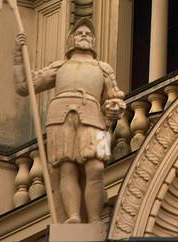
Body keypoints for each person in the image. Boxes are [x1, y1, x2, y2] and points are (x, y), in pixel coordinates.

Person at [14, 20, 124, 224]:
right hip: (60, 117)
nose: (84, 35)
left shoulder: (103, 68)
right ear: (71, 39)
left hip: (95, 117)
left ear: (94, 41)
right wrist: (19, 56)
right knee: (67, 168)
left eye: (88, 33)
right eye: (79, 32)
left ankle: (94, 218)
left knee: (97, 168)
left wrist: (116, 107)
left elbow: (114, 96)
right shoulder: (60, 66)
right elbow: (24, 85)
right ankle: (73, 215)